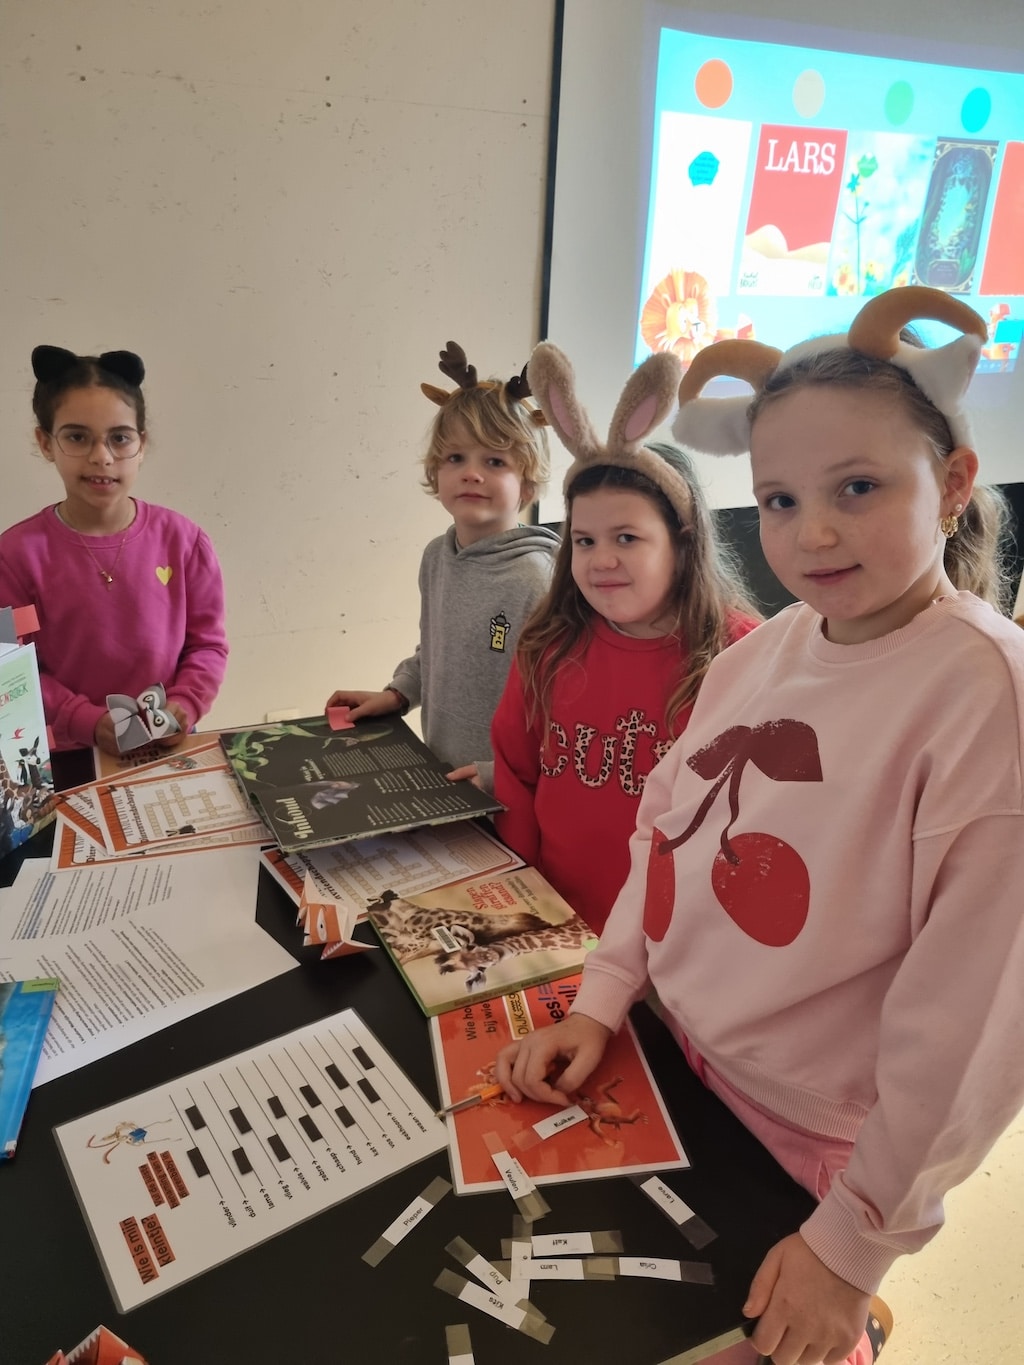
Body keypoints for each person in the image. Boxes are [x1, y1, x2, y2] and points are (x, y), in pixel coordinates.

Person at [496, 286, 1024, 1365]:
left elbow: (972, 1026)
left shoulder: (986, 700)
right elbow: (663, 834)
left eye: (858, 486)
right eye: (779, 499)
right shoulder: (763, 652)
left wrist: (854, 1243)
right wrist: (604, 999)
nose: (812, 531)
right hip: (671, 1061)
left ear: (953, 483)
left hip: (808, 1144)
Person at [490, 342, 760, 932]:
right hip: (559, 923)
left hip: (681, 939)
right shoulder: (547, 644)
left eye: (627, 538)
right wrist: (525, 895)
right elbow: (516, 771)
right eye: (584, 541)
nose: (601, 559)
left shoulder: (743, 654)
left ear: (683, 542)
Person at [324, 341, 558, 792]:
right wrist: (399, 693)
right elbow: (436, 650)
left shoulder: (536, 580)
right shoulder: (437, 557)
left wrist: (503, 776)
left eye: (495, 461)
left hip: (511, 791)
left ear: (528, 484)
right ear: (436, 471)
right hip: (447, 778)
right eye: (456, 458)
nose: (472, 473)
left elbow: (562, 708)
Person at [0, 346, 227, 755]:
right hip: (69, 756)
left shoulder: (185, 541)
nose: (101, 457)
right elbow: (12, 667)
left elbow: (207, 645)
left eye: (119, 438)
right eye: (77, 437)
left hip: (169, 745)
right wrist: (82, 719)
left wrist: (186, 702)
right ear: (46, 442)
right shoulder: (15, 557)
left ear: (142, 444)